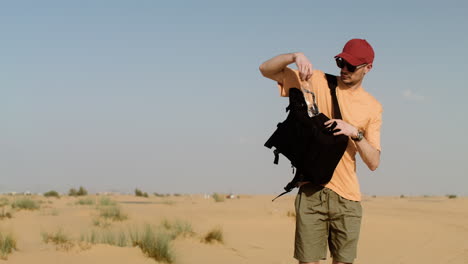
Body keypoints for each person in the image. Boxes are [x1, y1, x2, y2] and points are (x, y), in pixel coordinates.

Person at [259, 39, 382, 264]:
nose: (344, 69)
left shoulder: (372, 107)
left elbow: (373, 162)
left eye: (351, 66)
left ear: (368, 68)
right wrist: (294, 55)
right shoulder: (316, 80)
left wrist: (355, 133)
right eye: (341, 62)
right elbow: (265, 69)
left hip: (347, 199)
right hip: (312, 193)